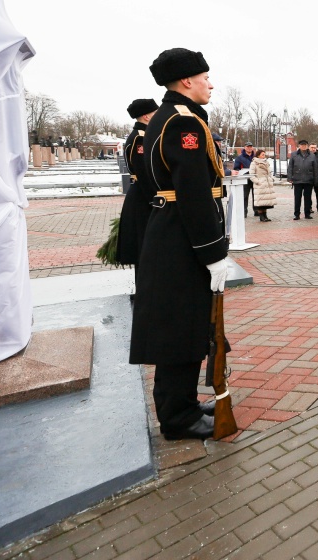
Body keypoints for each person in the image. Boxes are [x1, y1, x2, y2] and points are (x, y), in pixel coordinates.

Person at [131, 48, 227, 441]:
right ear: (187, 81)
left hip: (173, 233)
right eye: (206, 78)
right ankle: (177, 417)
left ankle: (184, 403)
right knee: (178, 327)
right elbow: (192, 193)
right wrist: (213, 251)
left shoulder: (173, 117)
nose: (211, 84)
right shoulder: (181, 124)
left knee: (186, 324)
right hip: (180, 238)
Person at [114, 98, 158, 268]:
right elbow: (143, 172)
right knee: (143, 244)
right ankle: (145, 291)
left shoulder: (143, 135)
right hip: (143, 196)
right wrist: (153, 199)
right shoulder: (140, 138)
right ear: (146, 117)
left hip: (141, 193)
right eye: (155, 113)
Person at [287, 139, 318, 220]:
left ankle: (307, 213)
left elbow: (315, 168)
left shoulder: (312, 155)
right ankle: (296, 214)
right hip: (297, 180)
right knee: (297, 198)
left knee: (307, 198)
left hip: (308, 180)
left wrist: (316, 179)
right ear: (299, 146)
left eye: (305, 145)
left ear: (307, 146)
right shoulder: (294, 154)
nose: (303, 146)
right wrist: (290, 177)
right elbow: (290, 167)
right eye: (302, 145)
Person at [249, 149, 275, 221]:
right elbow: (251, 174)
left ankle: (265, 215)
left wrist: (271, 178)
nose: (264, 156)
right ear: (258, 155)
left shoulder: (266, 162)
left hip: (267, 183)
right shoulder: (254, 163)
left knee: (265, 201)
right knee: (261, 201)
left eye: (264, 154)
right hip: (260, 185)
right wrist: (258, 181)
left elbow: (270, 172)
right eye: (262, 154)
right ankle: (261, 216)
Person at [232, 142, 255, 217]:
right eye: (248, 147)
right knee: (244, 196)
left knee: (256, 195)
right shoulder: (239, 158)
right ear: (245, 147)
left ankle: (257, 211)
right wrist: (242, 171)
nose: (249, 148)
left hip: (254, 178)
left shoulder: (255, 157)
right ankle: (244, 211)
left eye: (250, 147)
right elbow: (236, 168)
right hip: (245, 179)